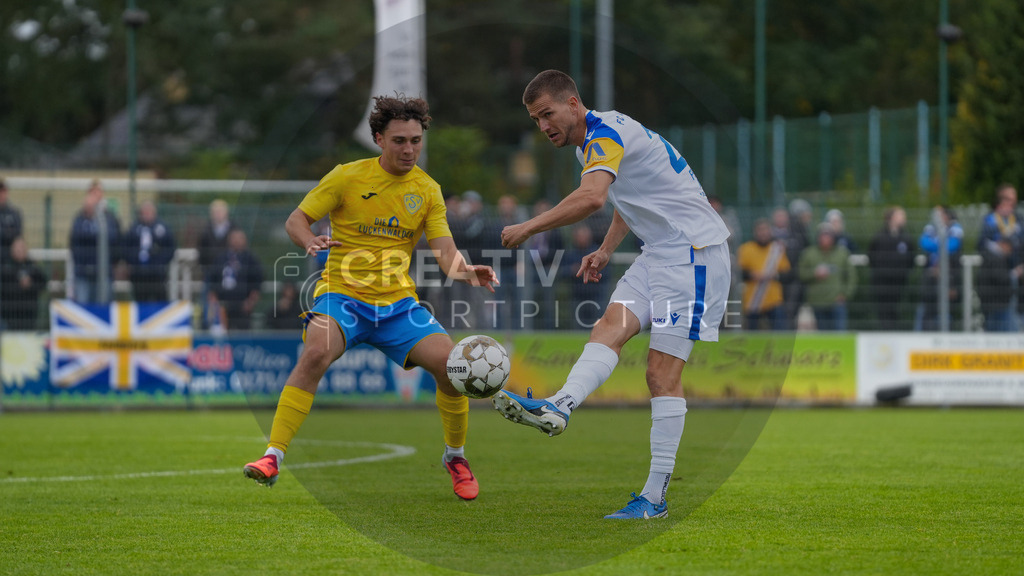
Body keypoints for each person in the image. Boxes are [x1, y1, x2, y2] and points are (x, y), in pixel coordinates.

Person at [492, 70, 731, 519]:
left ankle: (654, 498)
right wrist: (605, 250)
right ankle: (560, 405)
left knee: (660, 374)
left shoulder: (606, 133)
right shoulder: (593, 144)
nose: (543, 126)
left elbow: (593, 199)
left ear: (573, 103)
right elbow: (628, 198)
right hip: (658, 254)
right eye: (535, 119)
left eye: (547, 114)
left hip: (693, 256)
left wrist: (528, 226)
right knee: (608, 328)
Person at [242, 96, 498, 501]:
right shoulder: (346, 177)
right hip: (342, 297)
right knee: (315, 353)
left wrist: (467, 271)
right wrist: (309, 240)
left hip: (398, 306)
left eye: (415, 140)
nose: (409, 149)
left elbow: (446, 253)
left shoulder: (427, 190)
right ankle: (273, 455)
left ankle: (455, 457)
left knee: (453, 367)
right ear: (379, 139)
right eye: (399, 141)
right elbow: (296, 220)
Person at [977, 185, 1023, 331]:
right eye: (1009, 199)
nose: (1012, 203)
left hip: (1017, 277)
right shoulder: (989, 220)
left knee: (1014, 321)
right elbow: (981, 245)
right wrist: (998, 248)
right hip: (995, 283)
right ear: (1000, 201)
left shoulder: (1018, 219)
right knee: (996, 324)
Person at [69, 180, 121, 304]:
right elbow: (76, 239)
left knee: (103, 306)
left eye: (99, 193)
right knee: (83, 306)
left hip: (105, 272)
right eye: (93, 193)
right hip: (83, 273)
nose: (96, 197)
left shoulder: (110, 217)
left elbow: (115, 239)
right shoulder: (80, 218)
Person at [798, 223, 856, 331]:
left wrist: (845, 294)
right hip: (817, 302)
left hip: (837, 302)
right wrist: (814, 273)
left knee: (839, 333)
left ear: (833, 237)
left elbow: (851, 276)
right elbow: (801, 274)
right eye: (823, 235)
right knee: (823, 335)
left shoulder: (842, 253)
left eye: (828, 235)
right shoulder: (809, 253)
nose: (825, 238)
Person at [867, 206, 915, 330]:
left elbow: (911, 258)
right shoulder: (879, 237)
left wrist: (903, 272)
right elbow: (871, 256)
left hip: (899, 281)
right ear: (891, 218)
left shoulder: (906, 237)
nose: (904, 219)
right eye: (900, 216)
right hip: (881, 281)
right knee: (883, 309)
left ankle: (894, 332)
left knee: (896, 309)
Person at [916, 206, 963, 331]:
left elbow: (952, 246)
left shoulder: (955, 229)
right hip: (931, 281)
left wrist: (936, 246)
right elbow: (924, 243)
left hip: (949, 280)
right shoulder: (930, 229)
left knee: (946, 313)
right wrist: (941, 245)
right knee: (926, 313)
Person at [737, 219, 791, 330]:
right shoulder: (746, 249)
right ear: (755, 232)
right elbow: (739, 272)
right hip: (752, 300)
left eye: (765, 230)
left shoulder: (777, 249)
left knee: (780, 332)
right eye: (760, 230)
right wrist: (752, 275)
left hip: (774, 300)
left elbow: (787, 274)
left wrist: (774, 275)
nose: (763, 233)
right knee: (752, 333)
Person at [207, 229, 263, 331]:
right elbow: (212, 279)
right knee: (221, 333)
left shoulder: (251, 259)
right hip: (223, 305)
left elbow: (257, 281)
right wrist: (214, 302)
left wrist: (251, 301)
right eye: (234, 238)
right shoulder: (220, 258)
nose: (236, 241)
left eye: (239, 238)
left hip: (243, 305)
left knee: (242, 333)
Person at [125, 201, 177, 302]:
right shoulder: (134, 228)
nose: (147, 214)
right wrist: (134, 261)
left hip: (157, 273)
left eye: (149, 211)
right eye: (144, 212)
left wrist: (160, 262)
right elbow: (126, 247)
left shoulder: (163, 228)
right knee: (140, 300)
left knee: (159, 299)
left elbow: (171, 248)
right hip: (138, 273)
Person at [560, 223, 605, 328]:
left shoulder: (597, 253)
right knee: (577, 327)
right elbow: (562, 272)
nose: (582, 238)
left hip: (596, 295)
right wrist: (573, 270)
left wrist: (592, 271)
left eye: (584, 235)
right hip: (577, 296)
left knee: (597, 326)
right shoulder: (570, 254)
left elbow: (606, 273)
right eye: (579, 236)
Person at [0, 236, 47, 330]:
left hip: (29, 315)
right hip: (9, 315)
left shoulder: (33, 266)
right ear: (12, 250)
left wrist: (30, 285)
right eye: (17, 248)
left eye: (22, 247)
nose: (19, 250)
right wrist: (18, 286)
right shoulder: (5, 267)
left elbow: (43, 284)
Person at [0, 178, 24, 264]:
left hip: (11, 252)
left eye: (3, 192)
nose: (2, 195)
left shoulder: (14, 213)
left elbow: (18, 233)